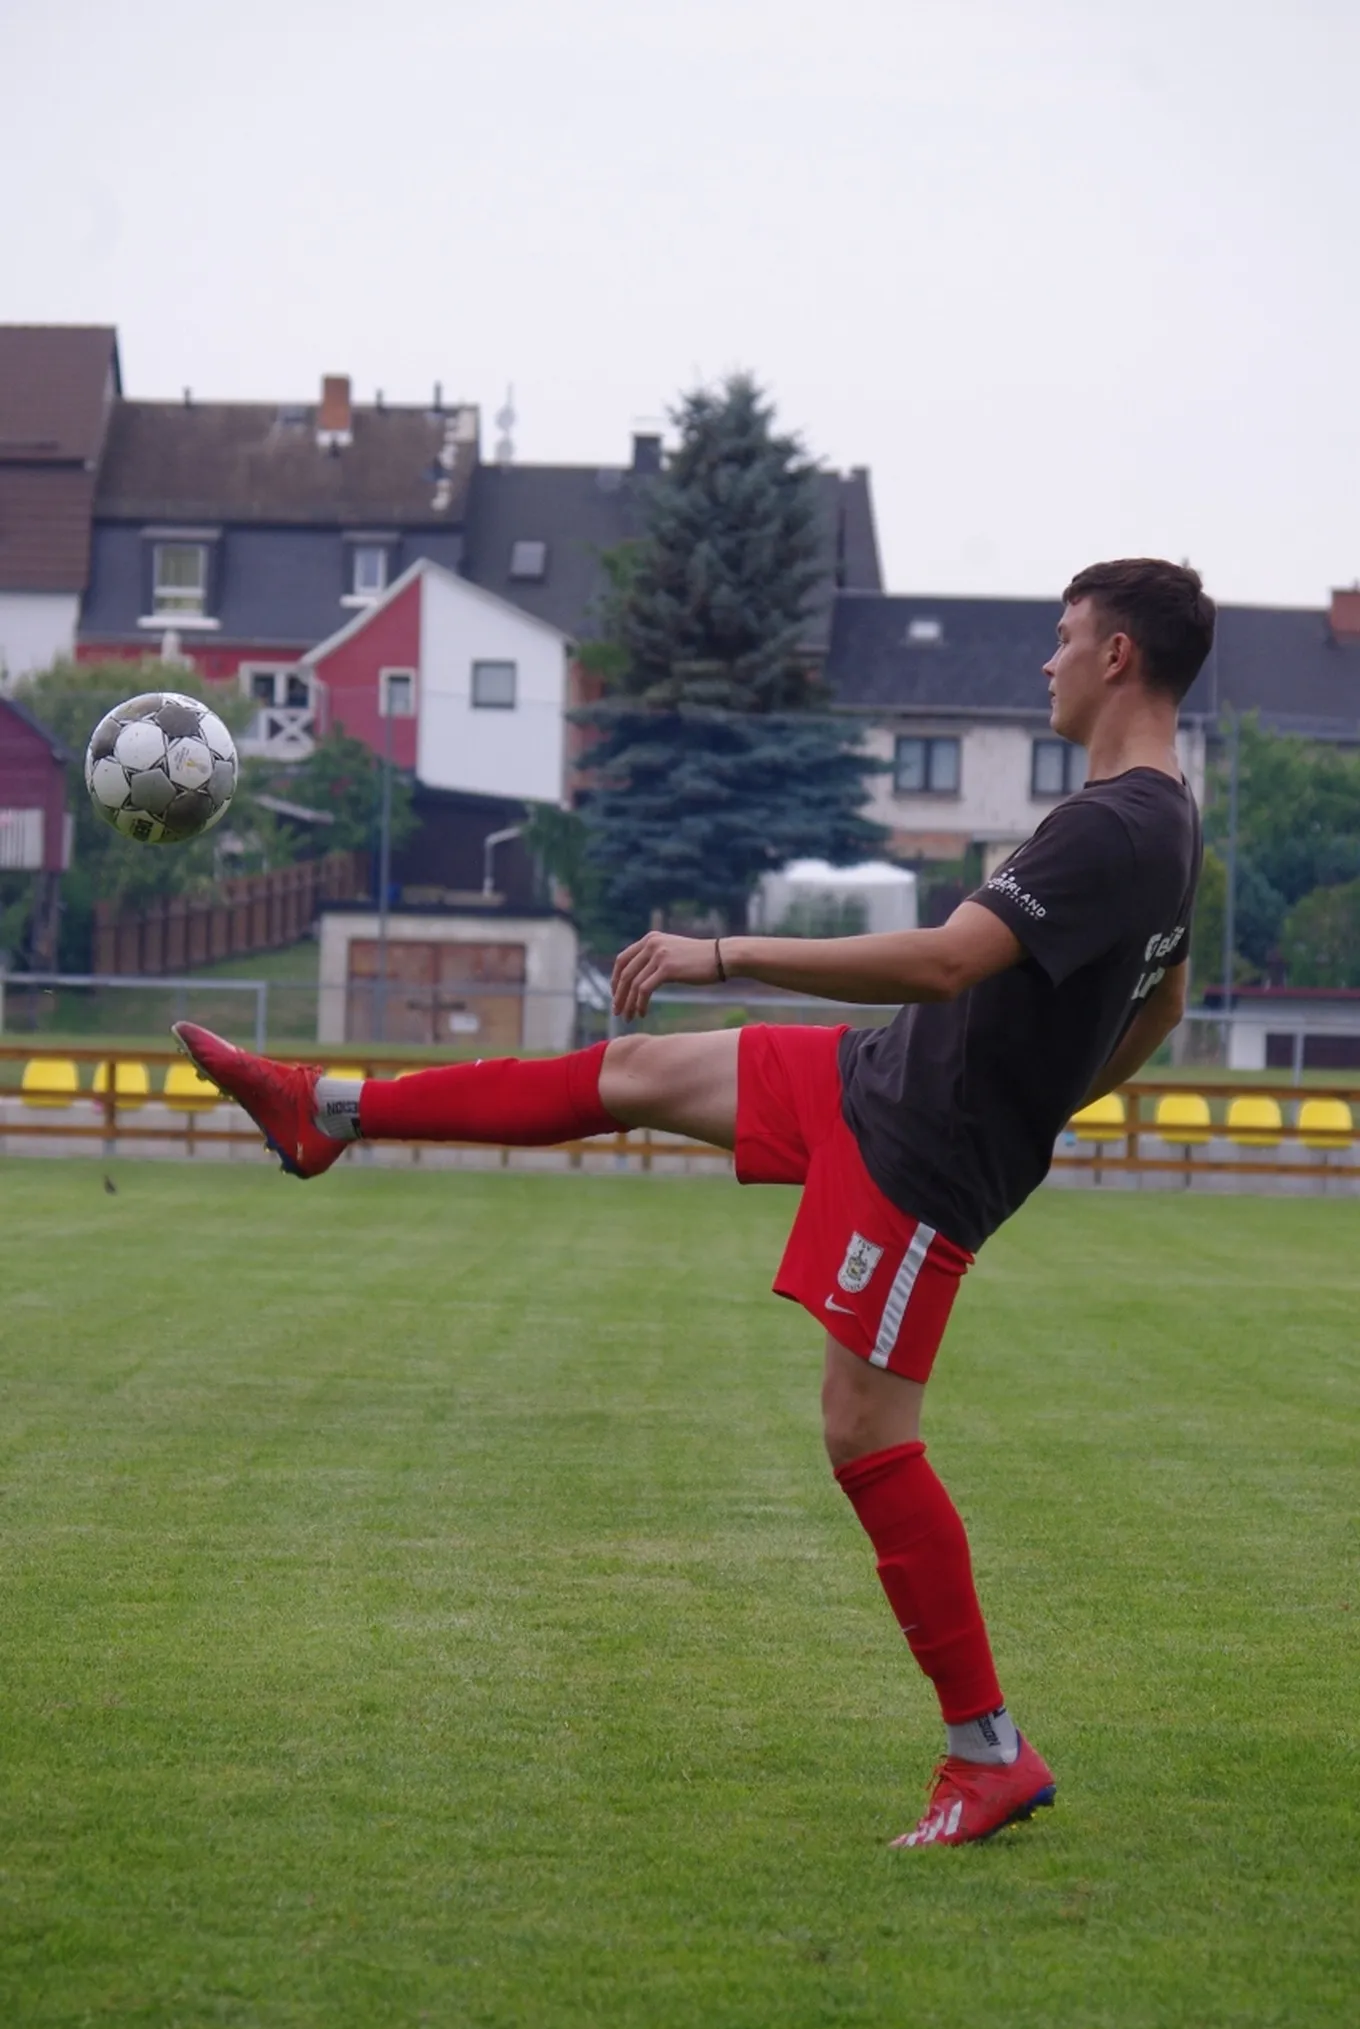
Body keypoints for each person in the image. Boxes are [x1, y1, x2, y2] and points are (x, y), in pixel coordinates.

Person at [175, 557, 1209, 1849]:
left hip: (927, 1151)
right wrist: (1048, 1105)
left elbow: (949, 961)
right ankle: (323, 1109)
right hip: (881, 1081)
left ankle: (987, 1752)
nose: (1045, 662)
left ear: (1118, 656)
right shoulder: (1169, 820)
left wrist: (725, 954)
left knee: (863, 1432)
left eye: (1062, 638)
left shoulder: (1116, 824)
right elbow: (1164, 1004)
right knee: (634, 1070)